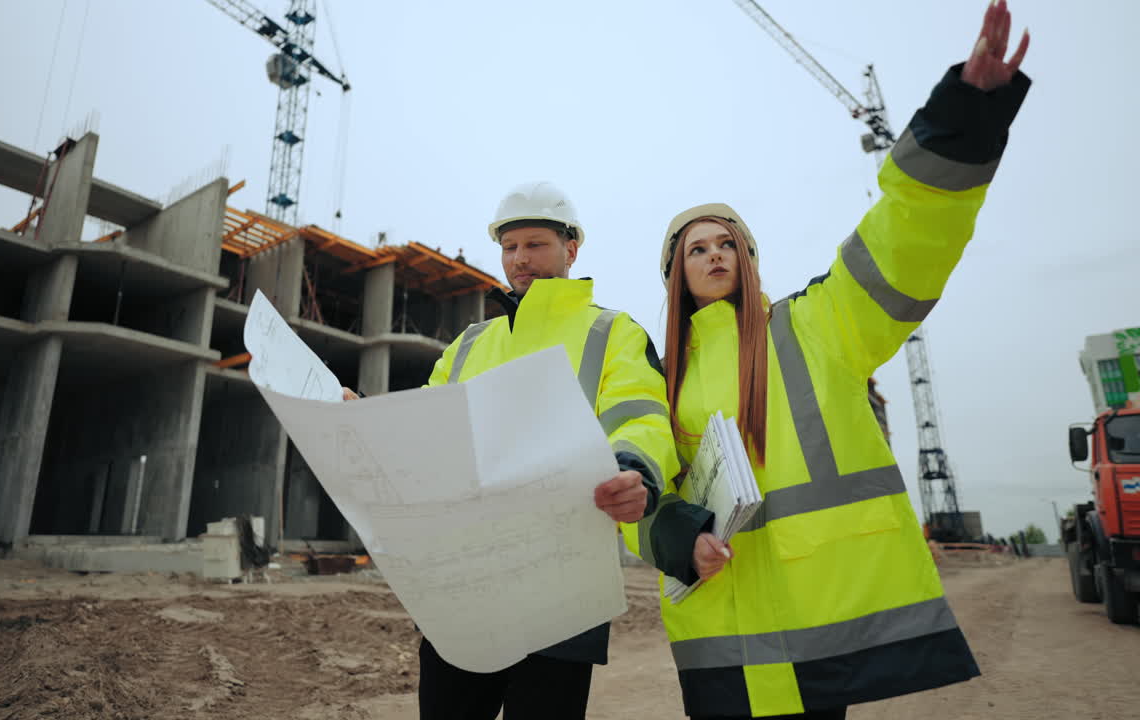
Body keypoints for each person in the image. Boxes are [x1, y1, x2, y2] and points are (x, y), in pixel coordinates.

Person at [623, 2, 1031, 718]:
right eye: (698, 248)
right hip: (722, 625)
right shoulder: (658, 379)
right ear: (676, 275)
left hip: (825, 617)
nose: (716, 254)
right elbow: (637, 493)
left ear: (749, 260)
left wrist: (965, 116)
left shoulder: (817, 324)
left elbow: (907, 237)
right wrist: (676, 538)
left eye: (729, 244)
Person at [346, 181, 680, 719]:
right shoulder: (471, 344)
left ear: (571, 248)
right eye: (509, 247)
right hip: (462, 585)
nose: (520, 259)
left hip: (561, 590)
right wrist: (362, 413)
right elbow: (425, 429)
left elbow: (639, 417)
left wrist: (632, 468)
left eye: (535, 244)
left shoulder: (611, 333)